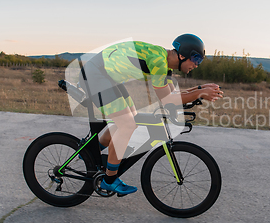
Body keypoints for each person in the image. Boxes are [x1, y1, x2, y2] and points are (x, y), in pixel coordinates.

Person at [79, 34, 223, 195]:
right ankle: (109, 180)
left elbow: (173, 95)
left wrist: (199, 89)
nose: (196, 65)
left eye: (199, 61)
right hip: (96, 75)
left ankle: (90, 152)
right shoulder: (159, 61)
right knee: (127, 124)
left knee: (129, 118)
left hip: (106, 77)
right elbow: (168, 100)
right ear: (182, 55)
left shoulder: (165, 64)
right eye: (196, 59)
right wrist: (200, 93)